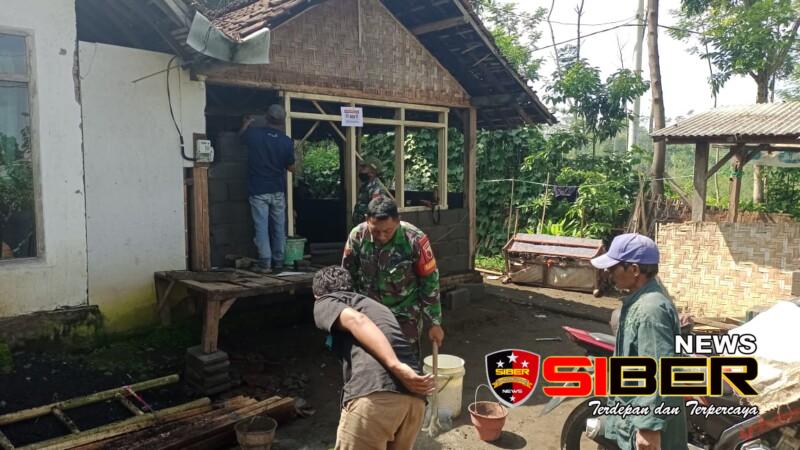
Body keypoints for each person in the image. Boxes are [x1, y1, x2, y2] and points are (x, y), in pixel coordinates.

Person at [312, 265, 435, 450]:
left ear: (316, 294)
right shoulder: (373, 306)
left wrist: (395, 365)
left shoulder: (325, 301)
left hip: (377, 396)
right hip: (414, 401)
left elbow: (356, 320)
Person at [591, 233, 688, 450]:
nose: (608, 272)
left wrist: (649, 428)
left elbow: (660, 370)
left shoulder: (650, 310)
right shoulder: (640, 301)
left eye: (613, 267)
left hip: (646, 429)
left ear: (634, 270)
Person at [342, 196, 444, 351]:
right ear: (367, 219)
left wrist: (434, 322)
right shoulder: (357, 236)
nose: (382, 236)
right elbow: (347, 276)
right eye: (376, 231)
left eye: (387, 231)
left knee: (406, 361)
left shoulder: (414, 239)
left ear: (397, 221)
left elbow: (429, 281)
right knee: (371, 360)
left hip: (404, 315)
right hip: (369, 314)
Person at [239, 104, 295, 273]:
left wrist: (246, 123)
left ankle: (265, 263)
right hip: (277, 190)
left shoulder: (254, 134)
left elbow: (240, 137)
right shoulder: (286, 141)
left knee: (261, 227)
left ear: (266, 117)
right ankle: (279, 261)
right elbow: (291, 168)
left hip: (258, 189)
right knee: (279, 227)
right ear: (282, 121)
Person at [352, 157, 390, 225]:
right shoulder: (364, 186)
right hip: (360, 227)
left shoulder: (377, 189)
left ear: (372, 172)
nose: (360, 170)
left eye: (364, 167)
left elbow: (377, 212)